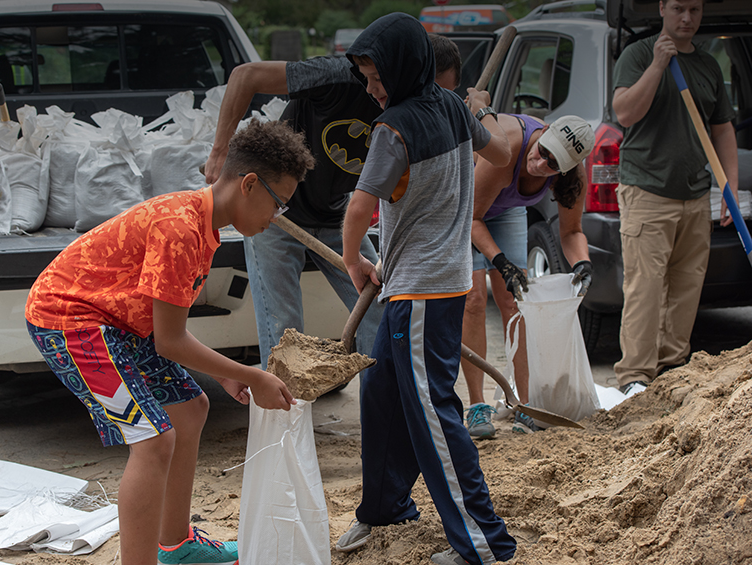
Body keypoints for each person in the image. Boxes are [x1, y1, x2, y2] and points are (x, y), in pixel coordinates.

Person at [25, 120, 314, 565]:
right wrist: (249, 375)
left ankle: (177, 545)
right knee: (154, 440)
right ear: (249, 185)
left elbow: (165, 329)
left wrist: (222, 373)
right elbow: (170, 341)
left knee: (191, 410)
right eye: (279, 204)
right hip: (71, 322)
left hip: (118, 323)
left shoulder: (204, 225)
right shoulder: (181, 229)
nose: (277, 218)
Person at [337, 13, 516, 565]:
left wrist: (352, 261)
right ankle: (385, 505)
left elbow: (359, 207)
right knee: (382, 396)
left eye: (376, 78)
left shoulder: (393, 128)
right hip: (433, 284)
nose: (371, 90)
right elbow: (504, 155)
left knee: (435, 416)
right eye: (366, 79)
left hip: (419, 291)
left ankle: (484, 543)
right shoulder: (455, 109)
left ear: (401, 68)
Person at [203, 34, 464, 373]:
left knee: (379, 307)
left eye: (442, 96)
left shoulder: (420, 117)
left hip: (335, 215)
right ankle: (287, 419)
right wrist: (221, 150)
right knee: (284, 326)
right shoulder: (342, 76)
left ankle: (382, 402)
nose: (432, 103)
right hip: (274, 214)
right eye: (429, 91)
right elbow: (245, 76)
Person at [611, 0, 738, 394]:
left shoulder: (707, 64)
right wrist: (657, 66)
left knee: (686, 289)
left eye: (695, 10)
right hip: (647, 190)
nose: (687, 18)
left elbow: (722, 130)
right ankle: (635, 377)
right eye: (679, 8)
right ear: (663, 7)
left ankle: (672, 370)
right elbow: (625, 113)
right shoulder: (638, 54)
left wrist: (729, 187)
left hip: (695, 193)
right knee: (645, 288)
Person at [462, 114, 595, 438]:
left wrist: (583, 263)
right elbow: (472, 218)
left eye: (553, 164)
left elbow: (572, 231)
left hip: (505, 210)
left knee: (516, 303)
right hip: (463, 207)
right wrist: (501, 262)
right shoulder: (509, 144)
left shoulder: (572, 176)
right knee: (474, 300)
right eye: (543, 152)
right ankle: (478, 405)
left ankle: (524, 404)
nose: (541, 163)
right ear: (544, 132)